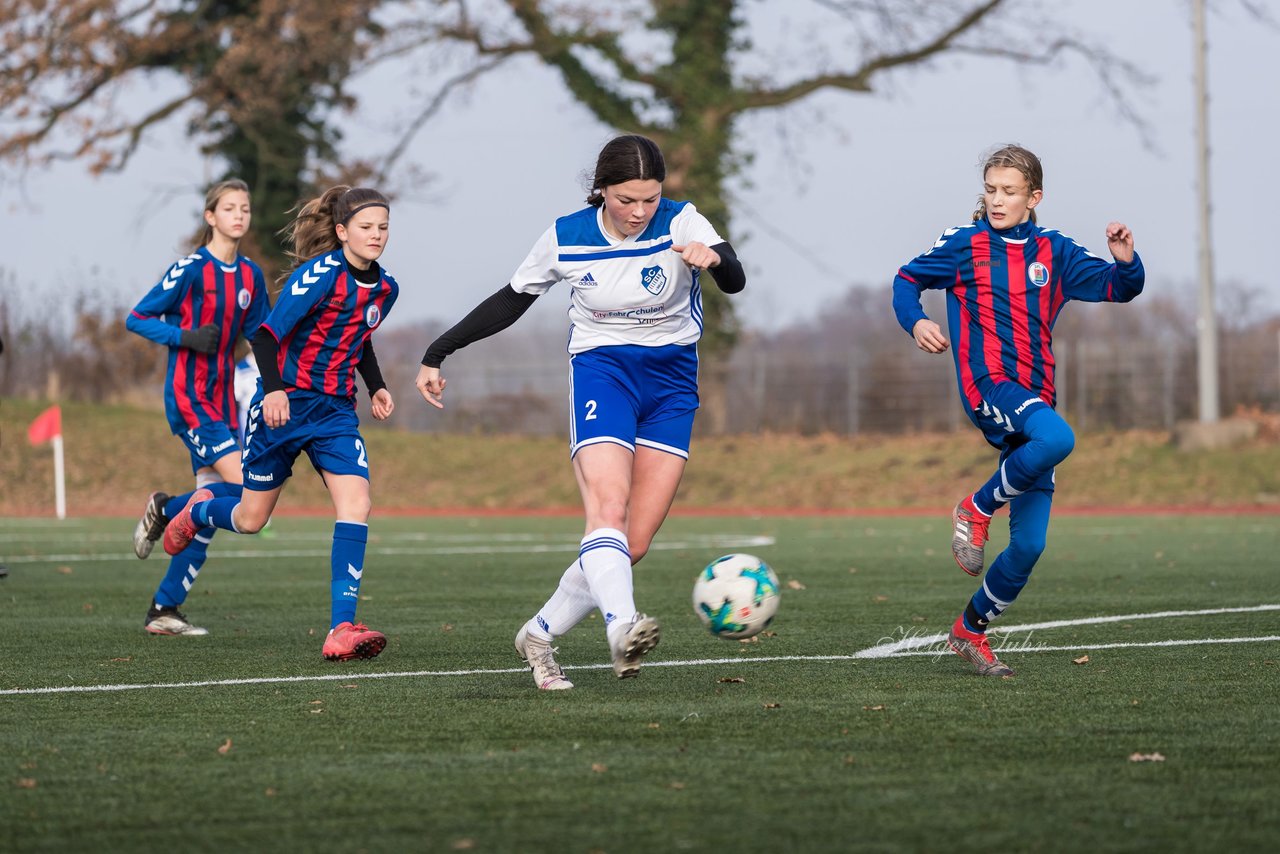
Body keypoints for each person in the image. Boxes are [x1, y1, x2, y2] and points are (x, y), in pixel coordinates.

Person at [415, 134, 747, 690]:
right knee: (607, 508)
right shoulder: (567, 236)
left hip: (671, 383)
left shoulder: (682, 220)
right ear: (601, 191)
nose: (640, 212)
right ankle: (623, 626)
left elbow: (734, 278)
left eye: (649, 198)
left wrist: (714, 259)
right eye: (625, 200)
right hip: (603, 372)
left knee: (632, 543)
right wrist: (437, 351)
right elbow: (510, 300)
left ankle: (539, 634)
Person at [891, 144, 1145, 677]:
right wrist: (915, 321)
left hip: (1036, 398)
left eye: (1009, 191)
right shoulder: (965, 245)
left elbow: (1120, 288)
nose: (997, 200)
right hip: (990, 387)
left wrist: (1125, 260)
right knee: (1059, 440)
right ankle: (976, 509)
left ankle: (968, 632)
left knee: (1028, 547)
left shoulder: (1055, 251)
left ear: (1035, 197)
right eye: (990, 189)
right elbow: (906, 280)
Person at [161, 185, 398, 662]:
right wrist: (273, 391)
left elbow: (360, 338)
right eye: (367, 227)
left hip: (334, 413)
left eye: (384, 228)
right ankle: (196, 511)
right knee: (251, 520)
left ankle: (340, 628)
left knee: (358, 503)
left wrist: (376, 386)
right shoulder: (319, 275)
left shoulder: (387, 287)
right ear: (341, 231)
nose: (376, 236)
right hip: (284, 407)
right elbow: (267, 337)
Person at [126, 178, 269, 636]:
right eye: (230, 208)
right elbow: (137, 317)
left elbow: (263, 334)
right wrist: (183, 336)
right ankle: (167, 509)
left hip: (225, 399)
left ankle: (163, 609)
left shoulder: (250, 276)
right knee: (248, 490)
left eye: (244, 208)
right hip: (190, 399)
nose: (239, 216)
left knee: (207, 511)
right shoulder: (189, 269)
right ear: (211, 217)